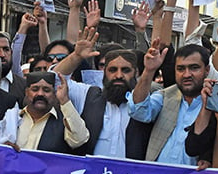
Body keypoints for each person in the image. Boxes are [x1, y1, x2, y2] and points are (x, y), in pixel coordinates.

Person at [53, 27, 152, 159]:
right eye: (112, 70)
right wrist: (76, 56)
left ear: (136, 73)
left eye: (125, 70)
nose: (118, 75)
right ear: (104, 73)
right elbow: (54, 80)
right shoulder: (88, 95)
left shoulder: (146, 104)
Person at [131, 41, 211, 165]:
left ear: (207, 70)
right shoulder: (165, 96)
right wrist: (149, 71)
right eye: (180, 69)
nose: (187, 74)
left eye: (194, 68)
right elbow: (139, 111)